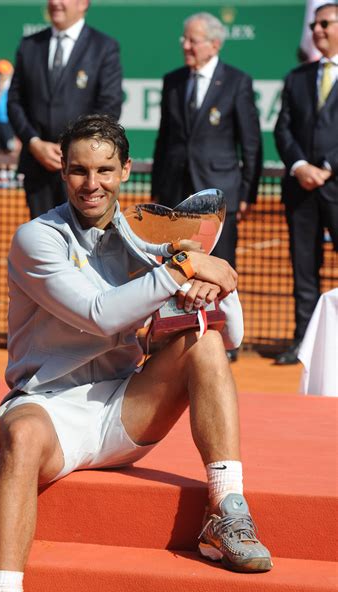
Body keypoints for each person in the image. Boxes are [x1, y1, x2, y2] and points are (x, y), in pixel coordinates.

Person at [0, 114, 272, 592]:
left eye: (105, 170)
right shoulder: (37, 238)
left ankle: (227, 511)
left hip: (122, 407)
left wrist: (218, 280)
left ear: (125, 171)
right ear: (62, 171)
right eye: (79, 170)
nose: (92, 183)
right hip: (49, 408)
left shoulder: (147, 239)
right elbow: (99, 314)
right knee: (18, 435)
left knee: (204, 346)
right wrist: (187, 263)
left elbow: (227, 333)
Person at [151, 13, 262, 360]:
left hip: (219, 192)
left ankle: (223, 339)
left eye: (192, 40)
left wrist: (247, 192)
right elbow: (164, 137)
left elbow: (252, 142)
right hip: (175, 189)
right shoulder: (173, 81)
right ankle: (178, 330)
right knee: (178, 261)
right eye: (184, 39)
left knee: (219, 263)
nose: (185, 45)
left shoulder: (237, 81)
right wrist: (158, 188)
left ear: (214, 43)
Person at [7, 0, 123, 219]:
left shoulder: (104, 47)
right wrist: (34, 142)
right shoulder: (29, 45)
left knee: (84, 244)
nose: (55, 3)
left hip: (83, 171)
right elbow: (14, 101)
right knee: (43, 243)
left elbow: (109, 105)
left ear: (83, 4)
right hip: (38, 166)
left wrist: (74, 148)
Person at [273, 2, 338, 365]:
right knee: (303, 270)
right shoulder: (297, 77)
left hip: (335, 184)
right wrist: (300, 166)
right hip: (302, 190)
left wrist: (328, 167)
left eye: (325, 23)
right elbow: (283, 128)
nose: (317, 29)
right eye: (315, 23)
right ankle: (305, 343)